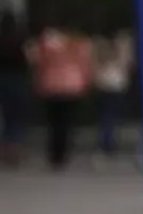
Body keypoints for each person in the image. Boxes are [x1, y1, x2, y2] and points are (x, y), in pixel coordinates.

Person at [29, 20, 92, 170]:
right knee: (67, 122)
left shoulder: (47, 41)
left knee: (53, 122)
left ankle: (54, 154)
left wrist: (37, 81)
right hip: (72, 85)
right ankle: (63, 153)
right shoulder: (79, 42)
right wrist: (86, 82)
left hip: (51, 85)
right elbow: (85, 64)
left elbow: (40, 63)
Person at [91, 27, 132, 158]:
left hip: (103, 83)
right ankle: (109, 140)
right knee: (112, 114)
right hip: (116, 83)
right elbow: (128, 64)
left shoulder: (99, 46)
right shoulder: (122, 46)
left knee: (105, 114)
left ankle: (106, 139)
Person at [0, 9, 29, 167]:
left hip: (2, 80)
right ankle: (15, 150)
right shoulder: (20, 40)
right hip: (17, 80)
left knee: (5, 116)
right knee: (17, 117)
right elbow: (26, 61)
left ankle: (4, 149)